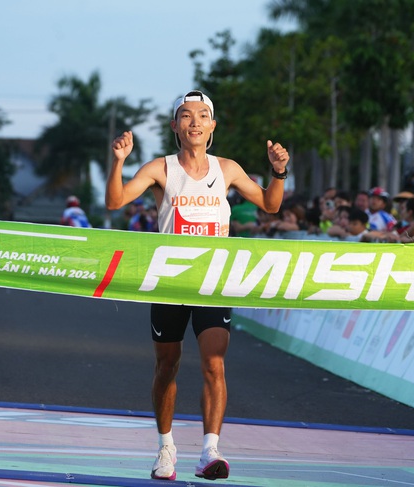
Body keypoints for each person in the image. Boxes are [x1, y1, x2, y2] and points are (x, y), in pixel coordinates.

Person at [105, 90, 289, 481]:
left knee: (214, 365)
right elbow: (115, 201)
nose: (194, 122)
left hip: (212, 282)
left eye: (202, 116)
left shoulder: (228, 169)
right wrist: (119, 162)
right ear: (175, 126)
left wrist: (278, 173)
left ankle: (210, 451)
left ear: (212, 127)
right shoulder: (161, 168)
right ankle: (166, 446)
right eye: (186, 116)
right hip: (169, 282)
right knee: (166, 365)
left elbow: (271, 206)